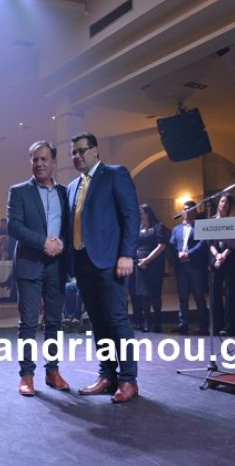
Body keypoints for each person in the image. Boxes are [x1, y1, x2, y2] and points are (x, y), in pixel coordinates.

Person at [67, 132, 140, 403]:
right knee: (97, 322)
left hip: (110, 261)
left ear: (95, 150)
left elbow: (131, 216)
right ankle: (107, 375)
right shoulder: (72, 186)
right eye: (73, 152)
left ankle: (129, 379)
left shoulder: (114, 174)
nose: (77, 156)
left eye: (82, 150)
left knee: (117, 320)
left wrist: (126, 254)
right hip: (83, 261)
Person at [7, 139, 70, 396]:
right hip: (29, 263)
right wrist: (44, 242)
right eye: (35, 159)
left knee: (55, 321)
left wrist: (60, 243)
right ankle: (27, 376)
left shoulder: (65, 193)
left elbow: (70, 227)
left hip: (57, 265)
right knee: (29, 322)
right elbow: (14, 226)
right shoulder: (19, 191)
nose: (39, 163)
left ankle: (53, 371)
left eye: (44, 159)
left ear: (54, 162)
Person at [169, 201, 210, 335]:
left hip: (195, 266)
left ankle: (203, 325)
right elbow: (172, 244)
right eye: (184, 209)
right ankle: (183, 324)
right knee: (182, 297)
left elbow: (202, 243)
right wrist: (178, 254)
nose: (185, 211)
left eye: (189, 209)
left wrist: (188, 253)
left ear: (195, 211)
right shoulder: (176, 229)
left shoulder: (199, 226)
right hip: (181, 267)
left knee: (198, 296)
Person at [129, 204, 167, 333]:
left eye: (140, 213)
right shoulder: (138, 228)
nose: (139, 216)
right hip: (139, 265)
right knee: (142, 295)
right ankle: (146, 322)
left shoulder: (158, 227)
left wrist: (147, 260)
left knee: (154, 294)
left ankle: (158, 322)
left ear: (147, 213)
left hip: (154, 265)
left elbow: (161, 246)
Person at [209, 193, 235, 336]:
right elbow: (209, 243)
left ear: (230, 206)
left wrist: (223, 255)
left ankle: (230, 327)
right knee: (215, 293)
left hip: (231, 259)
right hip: (216, 259)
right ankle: (217, 325)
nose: (223, 204)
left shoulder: (234, 221)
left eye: (227, 202)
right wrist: (217, 255)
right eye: (222, 201)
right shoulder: (211, 221)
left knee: (231, 294)